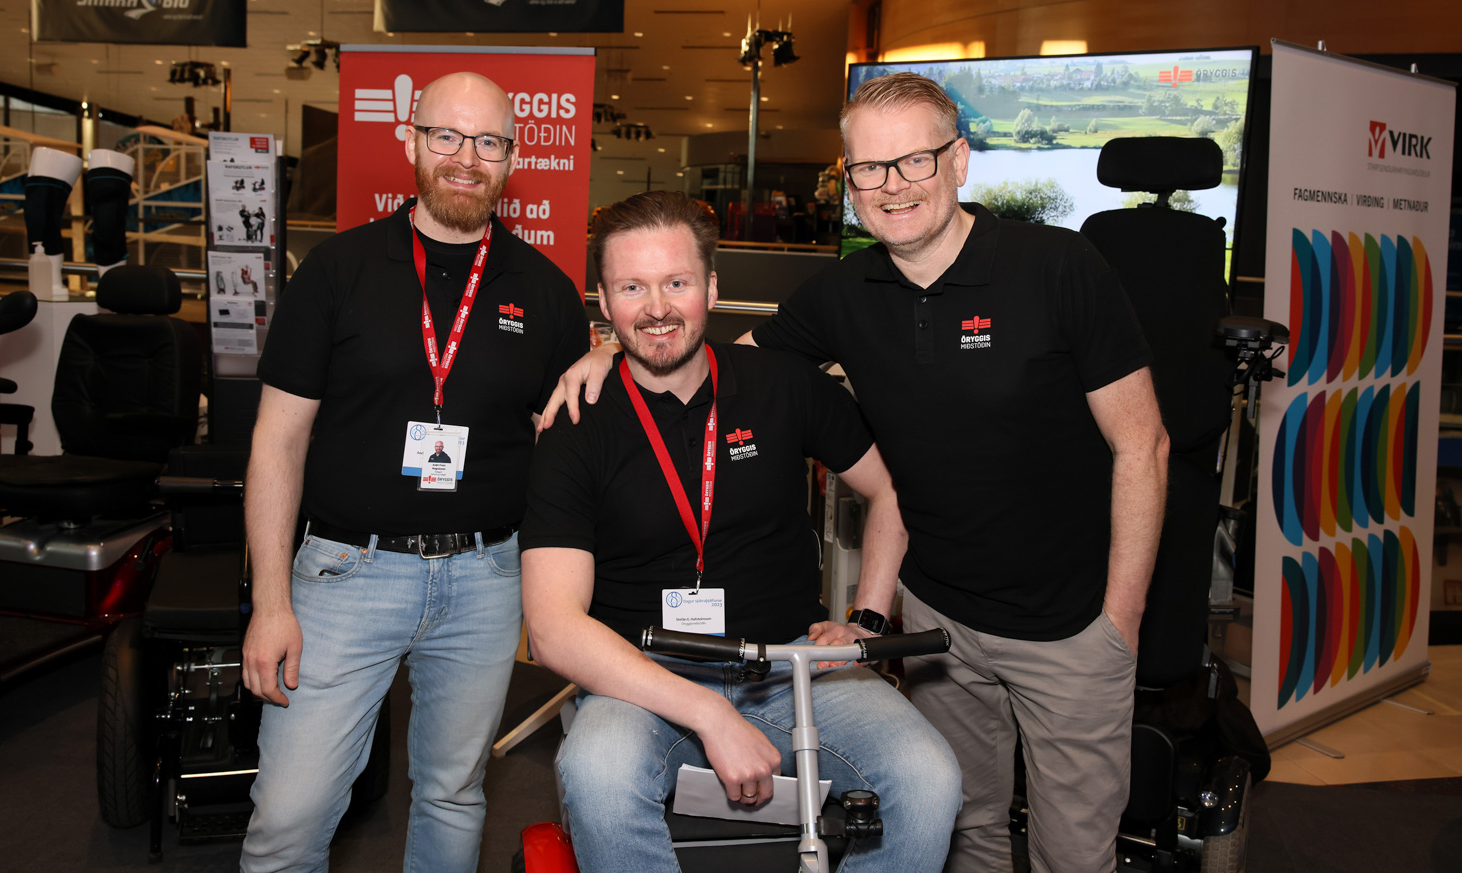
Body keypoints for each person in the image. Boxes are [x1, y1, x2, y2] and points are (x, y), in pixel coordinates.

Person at [543, 73, 1169, 873]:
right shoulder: (843, 293)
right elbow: (708, 359)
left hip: (1068, 618)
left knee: (1065, 846)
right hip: (939, 618)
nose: (892, 185)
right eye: (869, 168)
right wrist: (611, 349)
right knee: (968, 829)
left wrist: (1121, 618)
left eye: (914, 160)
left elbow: (1144, 446)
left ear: (959, 160)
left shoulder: (1056, 266)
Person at [521, 191, 961, 873]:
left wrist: (867, 621)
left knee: (929, 777)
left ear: (713, 288)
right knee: (598, 778)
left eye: (677, 283)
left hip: (791, 664)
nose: (657, 308)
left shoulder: (782, 384)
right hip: (642, 676)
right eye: (632, 288)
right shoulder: (577, 422)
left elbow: (890, 490)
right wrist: (709, 712)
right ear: (603, 302)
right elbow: (553, 628)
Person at [239, 71, 588, 873]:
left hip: (487, 579)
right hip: (344, 574)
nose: (467, 158)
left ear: (513, 158)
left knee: (453, 795)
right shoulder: (337, 270)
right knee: (289, 816)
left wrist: (603, 361)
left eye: (488, 141)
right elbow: (276, 444)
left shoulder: (546, 291)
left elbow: (567, 448)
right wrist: (270, 603)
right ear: (411, 142)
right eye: (446, 136)